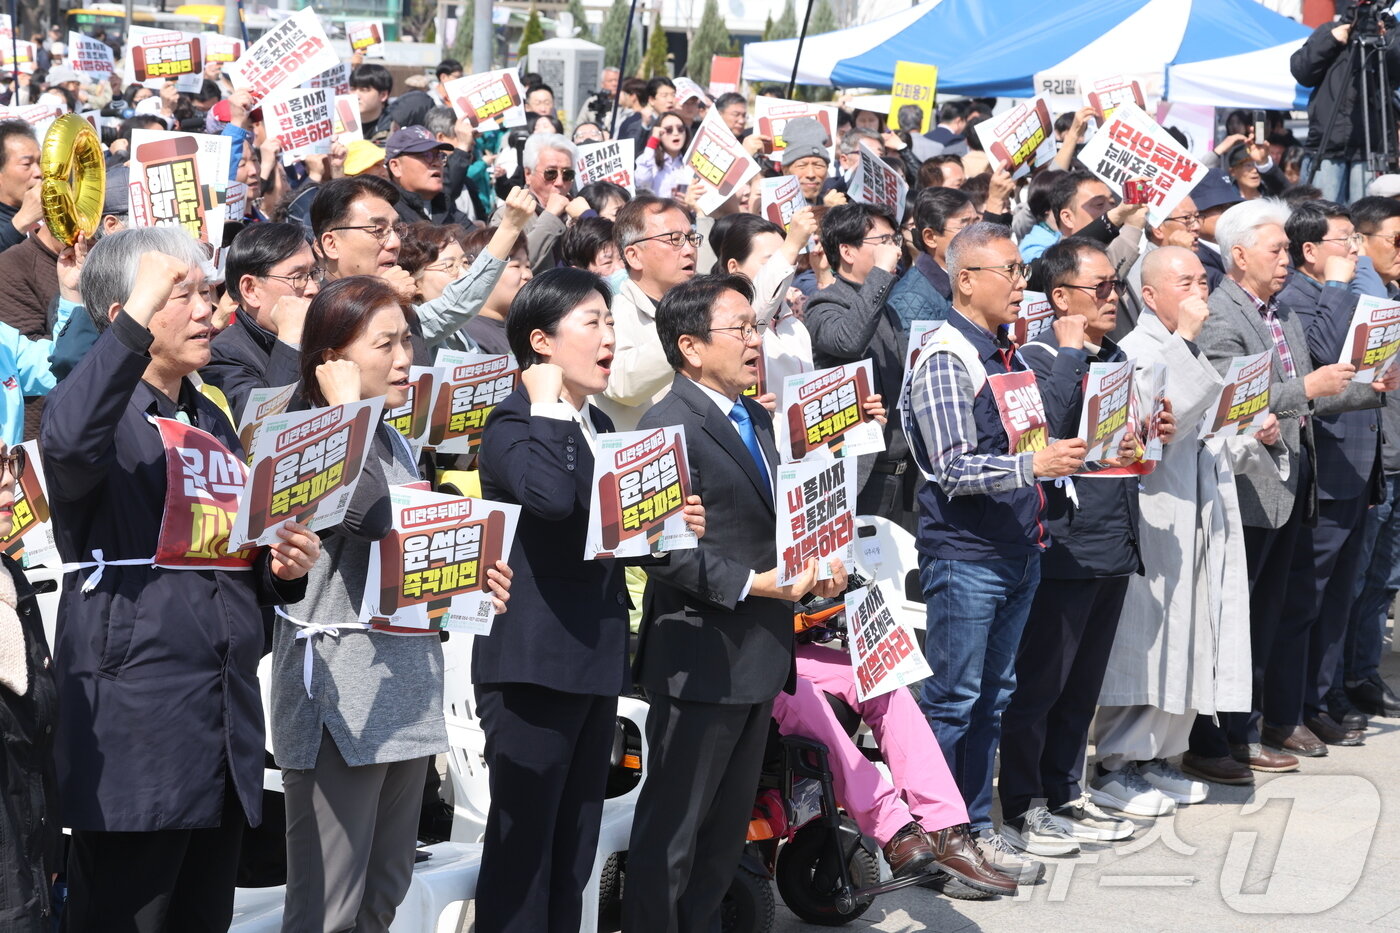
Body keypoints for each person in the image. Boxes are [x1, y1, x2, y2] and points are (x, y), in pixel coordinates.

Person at [42, 228, 320, 931]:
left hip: (219, 726)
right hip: (137, 734)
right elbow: (67, 442)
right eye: (183, 294)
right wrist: (136, 313)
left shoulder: (210, 416)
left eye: (209, 292)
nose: (207, 311)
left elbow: (228, 563)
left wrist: (278, 569)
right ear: (126, 316)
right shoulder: (102, 418)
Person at [270, 275, 511, 932]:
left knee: (383, 895)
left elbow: (405, 559)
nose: (407, 358)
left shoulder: (396, 438)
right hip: (339, 697)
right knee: (328, 907)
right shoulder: (306, 433)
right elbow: (371, 518)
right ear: (333, 357)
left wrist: (473, 577)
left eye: (409, 340)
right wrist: (344, 411)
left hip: (406, 687)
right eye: (387, 343)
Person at [475, 267, 702, 932]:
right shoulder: (514, 421)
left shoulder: (595, 419)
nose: (609, 338)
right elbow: (547, 499)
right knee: (527, 855)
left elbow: (607, 534)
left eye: (610, 323)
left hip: (595, 655)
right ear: (541, 341)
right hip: (533, 663)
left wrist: (667, 525)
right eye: (593, 324)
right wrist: (544, 401)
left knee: (573, 849)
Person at [623, 274, 848, 933]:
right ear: (690, 347)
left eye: (757, 326)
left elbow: (774, 523)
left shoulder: (756, 416)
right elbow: (655, 548)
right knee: (672, 834)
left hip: (758, 653)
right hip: (701, 655)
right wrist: (756, 583)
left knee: (724, 836)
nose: (756, 341)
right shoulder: (666, 423)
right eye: (741, 328)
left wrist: (819, 566)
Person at [902, 222, 1086, 883]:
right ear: (966, 279)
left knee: (992, 697)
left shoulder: (1006, 353)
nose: (1021, 283)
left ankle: (977, 828)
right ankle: (935, 836)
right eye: (1009, 270)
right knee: (954, 699)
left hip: (1017, 548)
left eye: (1021, 270)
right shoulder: (949, 355)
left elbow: (1026, 443)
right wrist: (1032, 464)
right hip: (966, 554)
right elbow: (952, 467)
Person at [999, 237, 1173, 856]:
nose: (1111, 298)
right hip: (1064, 543)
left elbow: (1115, 445)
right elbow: (1041, 426)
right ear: (1060, 297)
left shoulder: (1116, 353)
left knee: (1081, 684)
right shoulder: (1040, 356)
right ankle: (1023, 804)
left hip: (1112, 534)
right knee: (1041, 681)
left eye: (1114, 286)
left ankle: (1065, 788)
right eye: (1098, 288)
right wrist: (1072, 353)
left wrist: (1152, 432)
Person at [1192, 198, 1363, 771]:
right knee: (1238, 620)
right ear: (1238, 255)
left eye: (1288, 249)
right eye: (1277, 249)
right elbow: (1227, 400)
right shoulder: (1222, 315)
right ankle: (1219, 739)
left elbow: (1306, 390)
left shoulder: (1277, 312)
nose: (1287, 259)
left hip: (1289, 486)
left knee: (1271, 616)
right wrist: (1307, 389)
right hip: (1247, 488)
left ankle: (1253, 728)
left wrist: (1371, 386)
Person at [1094, 246, 1268, 797]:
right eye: (1185, 281)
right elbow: (1154, 431)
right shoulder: (1135, 349)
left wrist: (1248, 432)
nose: (1199, 292)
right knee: (1149, 639)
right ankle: (1120, 762)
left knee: (1193, 634)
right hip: (1154, 513)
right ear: (1149, 295)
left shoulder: (1181, 345)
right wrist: (1189, 344)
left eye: (1202, 280)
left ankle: (1163, 756)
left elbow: (1202, 434)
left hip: (1198, 508)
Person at [1276, 200, 1390, 745]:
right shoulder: (1297, 298)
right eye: (1344, 240)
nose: (1354, 250)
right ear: (1311, 251)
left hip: (1359, 463)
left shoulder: (1349, 294)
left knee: (1338, 599)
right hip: (1322, 471)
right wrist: (1340, 286)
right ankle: (1289, 710)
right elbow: (1319, 356)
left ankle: (1319, 701)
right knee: (1306, 599)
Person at [805, 203, 916, 530]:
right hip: (863, 476)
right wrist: (881, 273)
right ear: (847, 251)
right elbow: (848, 340)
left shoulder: (885, 305)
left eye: (894, 240)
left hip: (905, 474)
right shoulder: (824, 303)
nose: (893, 249)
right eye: (883, 241)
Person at [1345, 195, 1400, 719]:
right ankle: (1341, 681)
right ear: (1360, 244)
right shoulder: (1364, 299)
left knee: (1384, 580)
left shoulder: (1391, 292)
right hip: (1372, 462)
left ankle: (1362, 672)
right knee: (1355, 580)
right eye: (1397, 241)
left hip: (1395, 459)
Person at [0, 441, 58, 932]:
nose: (8, 480)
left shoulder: (11, 578)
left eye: (8, 461)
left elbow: (36, 743)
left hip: (28, 872)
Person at [597, 194, 699, 432]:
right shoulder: (612, 314)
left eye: (692, 238)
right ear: (634, 256)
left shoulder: (699, 305)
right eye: (675, 239)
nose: (689, 250)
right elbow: (622, 385)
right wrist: (685, 333)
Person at [205, 222, 321, 419]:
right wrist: (290, 341)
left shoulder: (326, 334)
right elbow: (264, 432)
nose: (313, 289)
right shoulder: (221, 356)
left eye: (314, 274)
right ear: (250, 289)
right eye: (298, 277)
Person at [1290, 17, 1400, 203]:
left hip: (1372, 146)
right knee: (1322, 216)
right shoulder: (1331, 29)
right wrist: (1331, 40)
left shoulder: (1391, 32)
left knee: (1368, 218)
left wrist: (1385, 40)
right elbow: (1301, 71)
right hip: (1328, 144)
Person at [713, 209, 817, 392]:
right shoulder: (724, 326)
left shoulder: (795, 326)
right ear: (734, 267)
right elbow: (758, 307)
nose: (788, 268)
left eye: (788, 259)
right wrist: (792, 244)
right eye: (771, 261)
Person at [887, 187, 978, 335]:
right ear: (930, 237)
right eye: (966, 227)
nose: (978, 235)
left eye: (977, 224)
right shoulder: (911, 298)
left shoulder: (976, 274)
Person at [1115, 195, 1203, 341]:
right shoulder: (1144, 267)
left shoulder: (1193, 255)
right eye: (1187, 219)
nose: (1196, 226)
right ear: (1158, 230)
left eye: (1197, 216)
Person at [494, 132, 580, 274]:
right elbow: (505, 272)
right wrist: (550, 217)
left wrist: (589, 218)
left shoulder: (577, 211)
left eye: (567, 174)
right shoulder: (508, 215)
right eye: (550, 173)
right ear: (528, 174)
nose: (559, 182)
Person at [461, 225, 532, 355]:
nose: (527, 274)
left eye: (527, 266)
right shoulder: (469, 337)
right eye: (516, 266)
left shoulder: (524, 328)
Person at [384, 125, 470, 226]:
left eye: (439, 156)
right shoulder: (387, 214)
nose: (437, 163)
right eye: (426, 155)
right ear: (396, 167)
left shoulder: (445, 206)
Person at [782, 117, 844, 209]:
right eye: (801, 166)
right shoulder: (770, 210)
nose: (811, 174)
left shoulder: (835, 201)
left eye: (818, 165)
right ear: (785, 170)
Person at [635, 112, 692, 200]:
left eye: (680, 129)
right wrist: (653, 142)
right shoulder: (649, 161)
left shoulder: (691, 162)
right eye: (669, 130)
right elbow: (642, 181)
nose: (676, 133)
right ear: (659, 134)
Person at [351, 63, 395, 141]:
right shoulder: (338, 128)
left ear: (383, 95)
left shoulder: (395, 132)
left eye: (364, 90)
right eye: (353, 89)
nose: (356, 95)